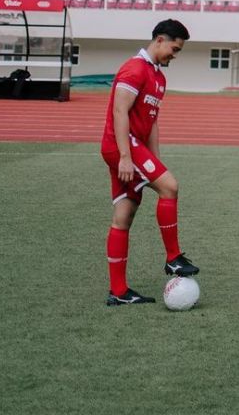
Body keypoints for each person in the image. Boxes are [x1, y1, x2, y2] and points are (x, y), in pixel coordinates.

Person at [101, 19, 200, 306]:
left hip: (134, 147)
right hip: (121, 145)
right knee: (170, 187)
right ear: (159, 40)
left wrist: (154, 159)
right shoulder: (134, 68)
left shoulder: (158, 77)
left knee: (124, 215)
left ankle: (118, 292)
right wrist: (124, 156)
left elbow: (152, 123)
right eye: (174, 48)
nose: (174, 55)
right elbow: (120, 111)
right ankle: (173, 259)